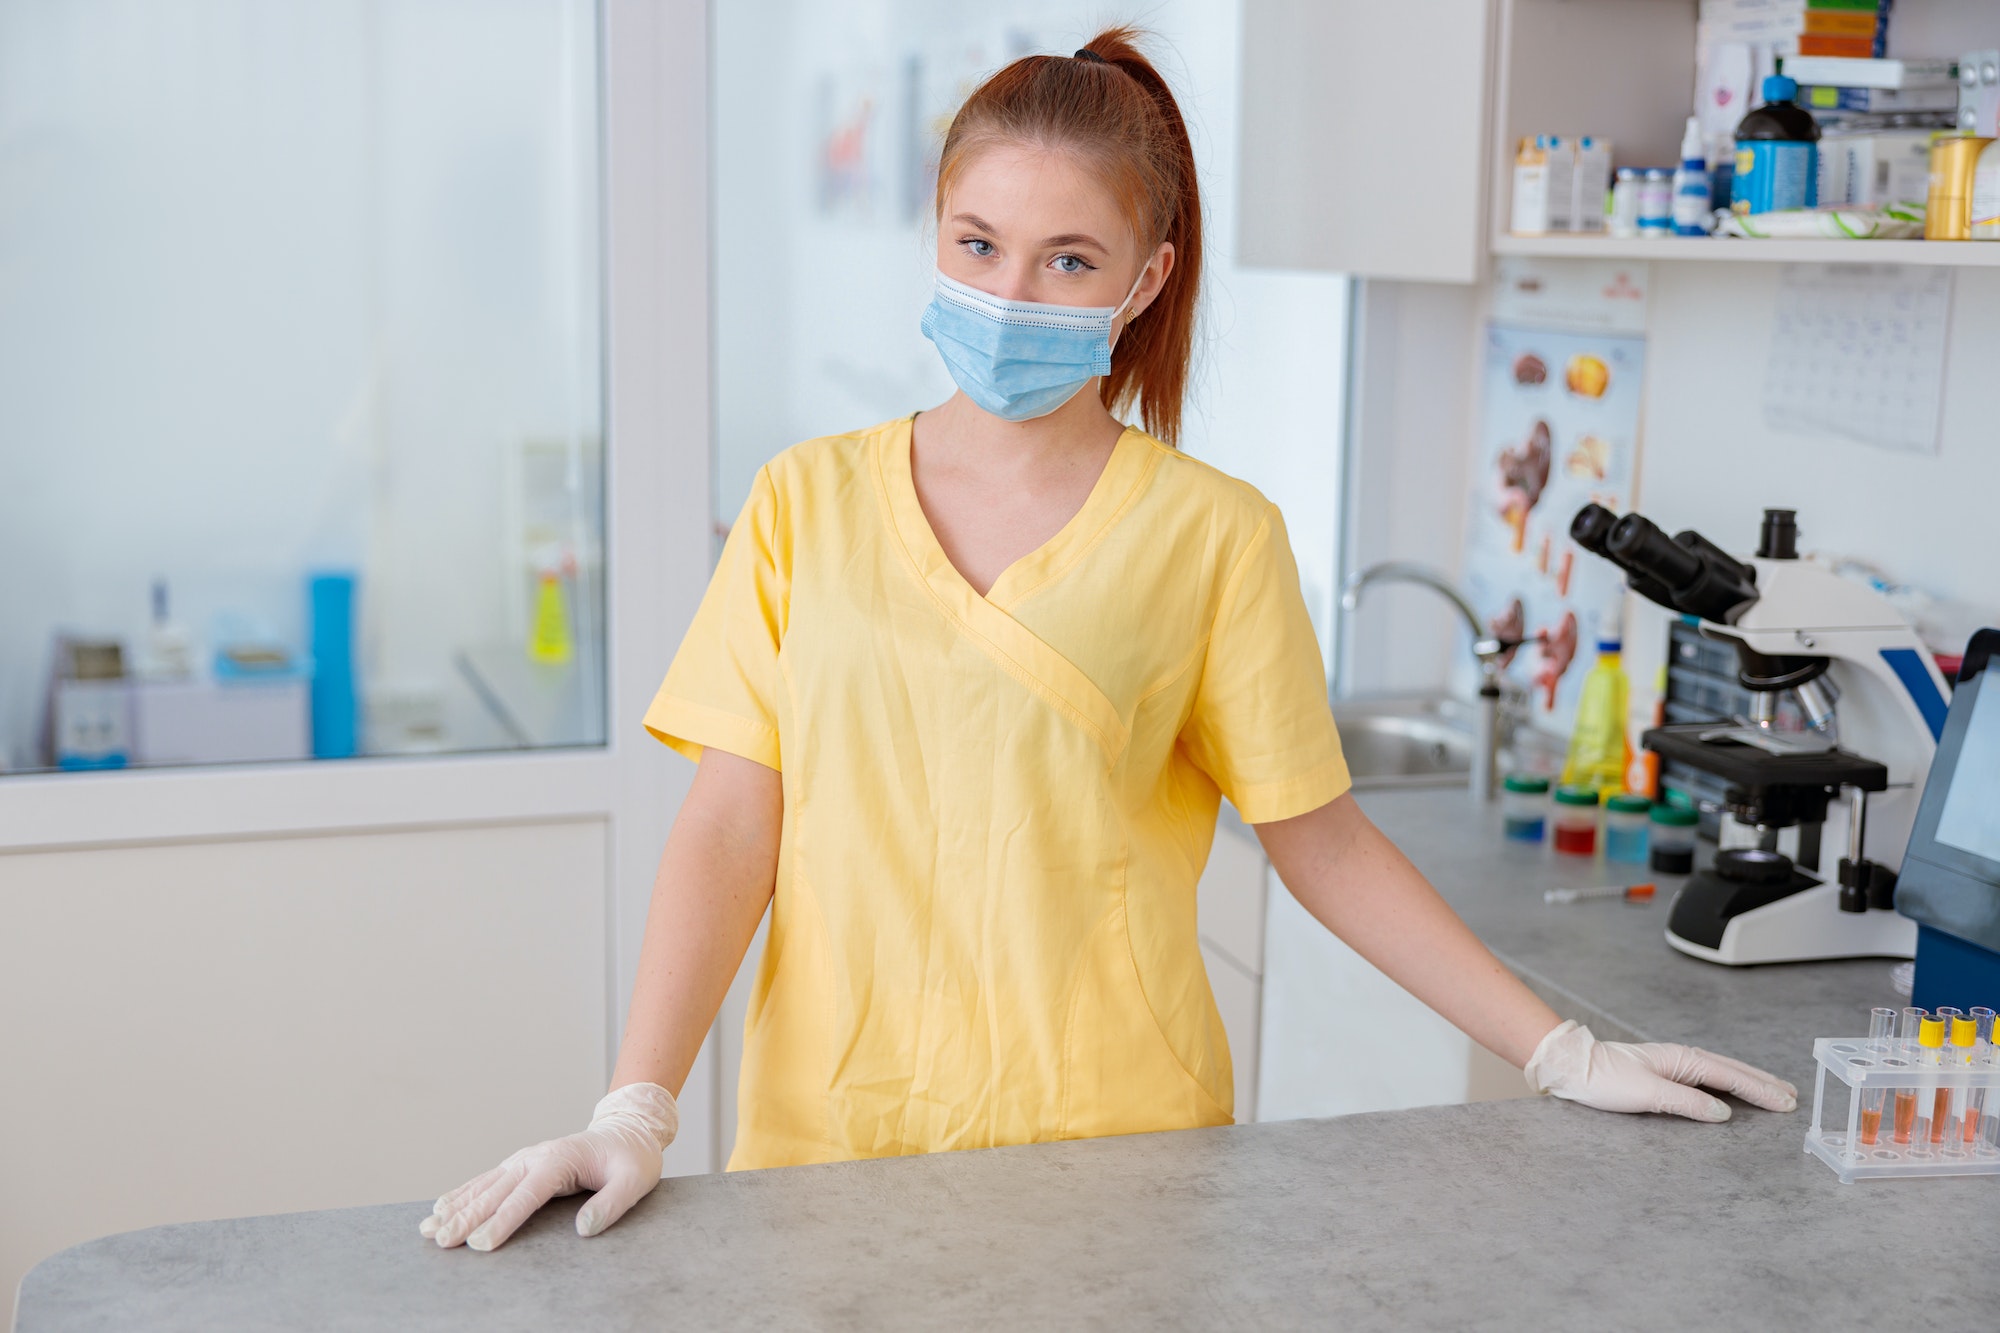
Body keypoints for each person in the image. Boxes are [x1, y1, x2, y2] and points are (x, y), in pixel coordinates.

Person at [421, 27, 1794, 1254]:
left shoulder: (1214, 535)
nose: (1010, 291)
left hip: (1117, 1159)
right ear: (935, 235)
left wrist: (1561, 1051)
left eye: (1066, 258)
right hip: (829, 1156)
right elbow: (732, 820)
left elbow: (1321, 843)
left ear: (1144, 279)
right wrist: (637, 1107)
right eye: (977, 244)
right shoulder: (804, 503)